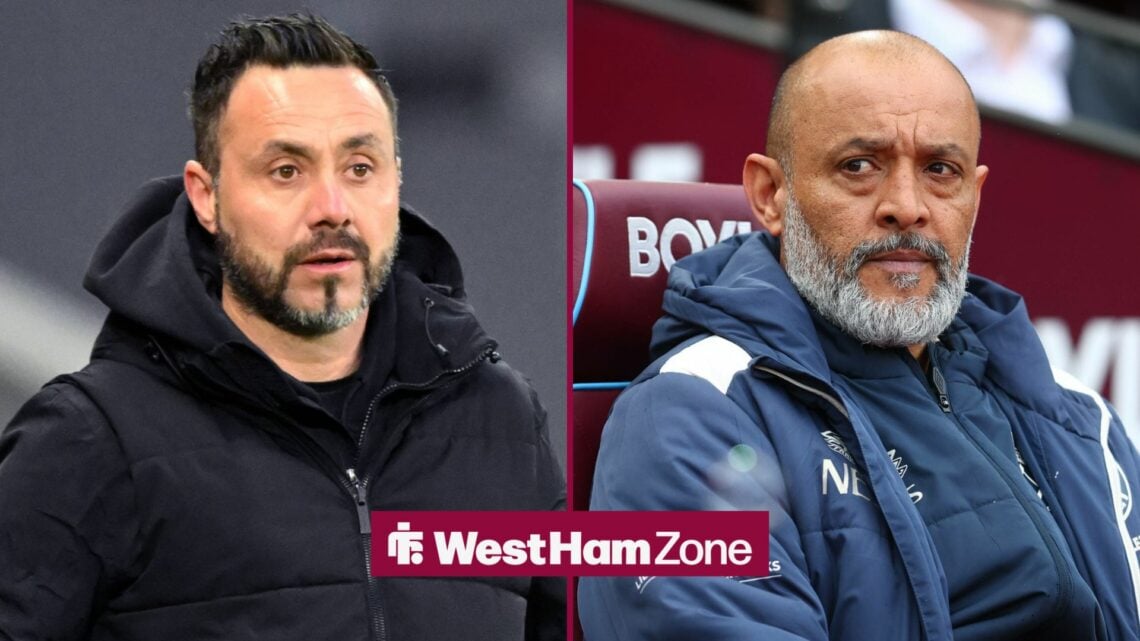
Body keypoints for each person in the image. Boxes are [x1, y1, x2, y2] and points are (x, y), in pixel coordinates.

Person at [0, 14, 564, 641]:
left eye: (359, 167)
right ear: (206, 197)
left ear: (395, 178)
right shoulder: (89, 440)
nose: (331, 209)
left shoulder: (500, 419)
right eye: (286, 171)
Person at [579, 30, 1140, 641]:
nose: (906, 205)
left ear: (974, 198)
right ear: (770, 196)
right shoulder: (687, 414)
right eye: (859, 166)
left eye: (940, 170)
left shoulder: (1075, 414)